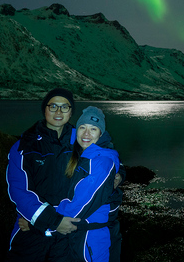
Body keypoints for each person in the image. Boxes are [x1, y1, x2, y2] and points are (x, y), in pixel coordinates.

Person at [5, 88, 81, 261]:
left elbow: (107, 160)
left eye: (65, 107)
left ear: (71, 112)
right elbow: (19, 191)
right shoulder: (24, 146)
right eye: (53, 106)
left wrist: (119, 175)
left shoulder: (83, 141)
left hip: (67, 235)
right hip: (31, 236)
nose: (59, 112)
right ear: (45, 109)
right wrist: (53, 222)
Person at [57, 106, 122, 262]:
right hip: (80, 234)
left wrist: (47, 217)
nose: (86, 133)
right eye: (82, 127)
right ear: (76, 130)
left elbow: (80, 206)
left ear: (101, 134)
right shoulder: (83, 155)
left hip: (92, 237)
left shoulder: (101, 162)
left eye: (93, 129)